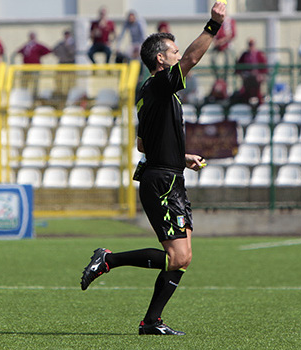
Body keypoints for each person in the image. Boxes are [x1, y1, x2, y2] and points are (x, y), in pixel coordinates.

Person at [80, 1, 226, 336]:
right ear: (160, 59)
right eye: (172, 50)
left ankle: (151, 322)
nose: (178, 54)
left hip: (168, 174)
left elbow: (143, 144)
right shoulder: (160, 85)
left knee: (183, 258)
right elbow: (191, 60)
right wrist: (213, 25)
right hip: (161, 181)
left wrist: (181, 156)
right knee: (178, 256)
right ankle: (108, 260)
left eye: (176, 50)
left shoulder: (150, 94)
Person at [234, 38, 268, 104]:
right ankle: (246, 101)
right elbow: (239, 66)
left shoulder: (259, 54)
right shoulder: (244, 54)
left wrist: (261, 75)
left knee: (257, 89)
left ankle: (259, 101)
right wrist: (241, 74)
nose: (251, 46)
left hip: (256, 76)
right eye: (250, 45)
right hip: (247, 76)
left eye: (252, 45)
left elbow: (264, 67)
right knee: (246, 90)